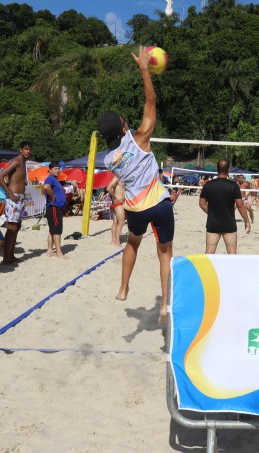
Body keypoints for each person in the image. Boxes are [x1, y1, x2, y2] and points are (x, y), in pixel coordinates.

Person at [98, 45, 174, 321]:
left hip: (136, 209)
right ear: (123, 127)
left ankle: (123, 288)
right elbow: (151, 101)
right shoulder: (140, 138)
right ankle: (164, 304)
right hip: (160, 203)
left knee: (133, 242)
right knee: (165, 254)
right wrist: (144, 70)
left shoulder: (108, 159)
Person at [199, 160, 251, 254]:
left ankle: (207, 269)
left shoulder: (208, 185)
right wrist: (247, 221)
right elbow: (240, 205)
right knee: (232, 254)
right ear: (229, 169)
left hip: (213, 222)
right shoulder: (233, 185)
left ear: (217, 169)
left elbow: (202, 203)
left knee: (209, 253)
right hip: (229, 222)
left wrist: (211, 212)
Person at [0, 141, 31, 264]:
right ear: (20, 149)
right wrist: (10, 193)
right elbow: (0, 176)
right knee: (11, 227)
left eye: (30, 149)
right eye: (26, 149)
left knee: (17, 227)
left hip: (20, 197)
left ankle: (11, 255)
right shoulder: (16, 161)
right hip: (14, 197)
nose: (28, 151)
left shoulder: (24, 163)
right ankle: (6, 257)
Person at [42, 162, 67, 258]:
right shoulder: (50, 178)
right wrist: (52, 196)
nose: (58, 170)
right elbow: (46, 187)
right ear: (50, 170)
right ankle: (59, 252)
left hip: (56, 207)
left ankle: (50, 251)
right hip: (54, 207)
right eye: (55, 169)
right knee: (57, 230)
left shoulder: (55, 179)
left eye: (58, 168)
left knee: (52, 230)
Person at [107, 176, 126, 247]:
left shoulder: (123, 178)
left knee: (115, 222)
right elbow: (108, 188)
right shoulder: (117, 177)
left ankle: (113, 240)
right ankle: (117, 241)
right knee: (121, 222)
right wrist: (114, 197)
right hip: (118, 202)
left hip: (121, 202)